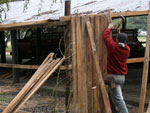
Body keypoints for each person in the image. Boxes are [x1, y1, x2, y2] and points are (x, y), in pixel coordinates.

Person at [103, 23, 130, 113]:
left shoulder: (113, 47)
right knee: (115, 98)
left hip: (114, 78)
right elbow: (121, 42)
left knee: (118, 99)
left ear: (117, 39)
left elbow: (105, 36)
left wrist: (109, 28)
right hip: (121, 78)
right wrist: (119, 32)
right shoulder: (127, 49)